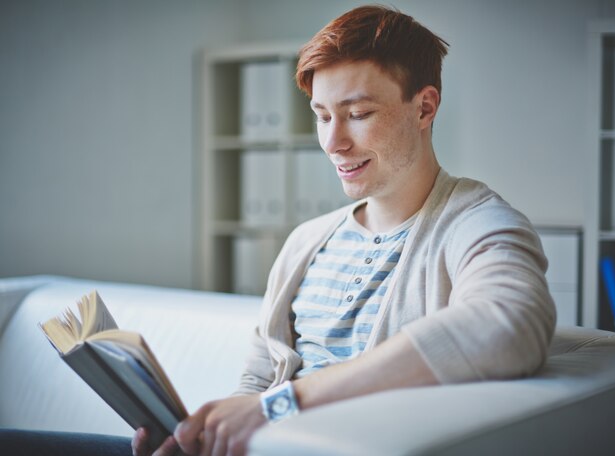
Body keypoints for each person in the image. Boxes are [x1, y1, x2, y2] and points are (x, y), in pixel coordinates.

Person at [131, 4, 556, 456]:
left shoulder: (477, 223)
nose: (333, 143)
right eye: (321, 115)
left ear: (425, 107)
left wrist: (282, 404)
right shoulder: (305, 242)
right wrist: (202, 438)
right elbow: (256, 383)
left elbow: (509, 326)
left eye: (358, 113)